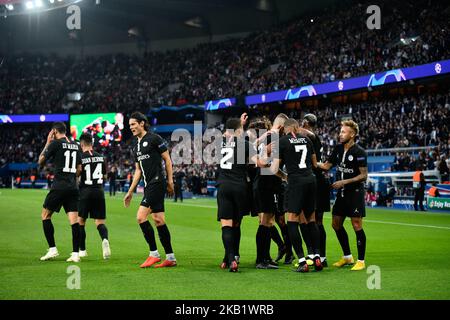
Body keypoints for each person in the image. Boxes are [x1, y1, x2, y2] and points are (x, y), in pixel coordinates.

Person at [123, 112, 177, 268]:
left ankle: (154, 254)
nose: (131, 128)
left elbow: (167, 159)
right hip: (148, 186)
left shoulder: (154, 138)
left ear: (142, 123)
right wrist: (130, 191)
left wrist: (170, 181)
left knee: (141, 217)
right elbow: (138, 171)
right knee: (159, 220)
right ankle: (171, 258)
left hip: (157, 183)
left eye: (133, 124)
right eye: (130, 125)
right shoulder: (136, 147)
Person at [269, 118, 322, 273]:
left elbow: (273, 169)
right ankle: (317, 257)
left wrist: (284, 176)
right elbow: (314, 163)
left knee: (292, 220)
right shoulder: (306, 140)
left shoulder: (282, 142)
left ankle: (301, 261)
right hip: (311, 180)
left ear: (285, 128)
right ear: (296, 127)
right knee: (311, 219)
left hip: (295, 182)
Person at [317, 120, 368, 271]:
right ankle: (347, 257)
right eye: (340, 132)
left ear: (352, 134)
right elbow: (326, 166)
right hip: (342, 193)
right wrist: (312, 162)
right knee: (335, 224)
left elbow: (364, 176)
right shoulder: (338, 149)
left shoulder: (359, 152)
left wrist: (344, 182)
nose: (340, 134)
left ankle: (361, 260)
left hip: (355, 193)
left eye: (343, 132)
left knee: (356, 225)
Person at [216, 117, 259, 272]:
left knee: (226, 226)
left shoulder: (219, 144)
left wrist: (237, 125)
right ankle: (233, 257)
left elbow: (227, 135)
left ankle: (230, 259)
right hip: (240, 187)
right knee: (236, 224)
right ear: (240, 130)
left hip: (223, 187)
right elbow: (258, 163)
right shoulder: (246, 144)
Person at [38, 122, 82, 263]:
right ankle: (75, 254)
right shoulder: (76, 144)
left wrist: (47, 142)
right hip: (73, 187)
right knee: (74, 221)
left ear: (55, 131)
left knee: (45, 215)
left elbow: (41, 162)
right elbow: (79, 169)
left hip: (59, 186)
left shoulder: (55, 144)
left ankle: (52, 249)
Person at [302, 113, 331, 267]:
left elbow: (309, 133)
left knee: (312, 221)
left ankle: (317, 255)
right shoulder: (313, 138)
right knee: (316, 221)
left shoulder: (311, 136)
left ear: (306, 123)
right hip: (318, 182)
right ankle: (318, 255)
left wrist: (291, 126)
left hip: (315, 182)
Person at [77, 133, 111, 260]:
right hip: (99, 191)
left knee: (81, 221)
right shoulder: (101, 157)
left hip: (85, 191)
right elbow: (105, 176)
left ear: (81, 144)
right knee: (99, 222)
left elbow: (78, 172)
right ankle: (105, 240)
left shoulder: (81, 156)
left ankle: (82, 250)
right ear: (92, 143)